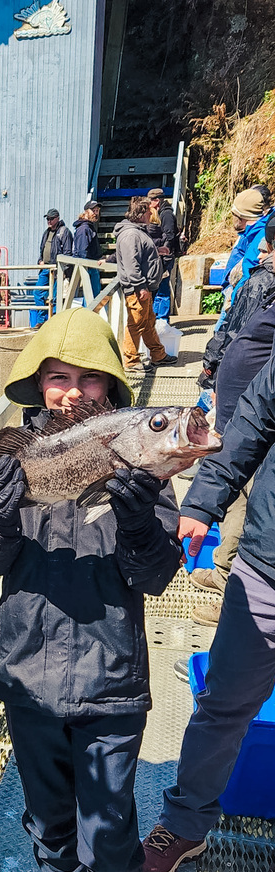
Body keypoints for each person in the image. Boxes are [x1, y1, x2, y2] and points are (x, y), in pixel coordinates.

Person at [0, 308, 181, 872]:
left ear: (111, 391)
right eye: (58, 377)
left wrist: (141, 525)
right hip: (26, 677)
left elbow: (156, 576)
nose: (71, 391)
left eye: (88, 378)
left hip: (111, 686)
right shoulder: (18, 456)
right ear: (39, 385)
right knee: (47, 816)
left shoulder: (140, 459)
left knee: (110, 832)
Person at [142, 348, 275, 872]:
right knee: (222, 704)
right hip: (266, 567)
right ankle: (185, 824)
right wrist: (201, 504)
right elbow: (250, 424)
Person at [183, 215, 275, 627]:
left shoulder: (263, 282)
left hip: (247, 420)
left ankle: (227, 582)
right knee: (236, 496)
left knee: (249, 502)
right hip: (240, 410)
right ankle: (225, 572)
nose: (260, 252)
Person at [114, 196, 177, 375]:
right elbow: (131, 263)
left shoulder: (136, 232)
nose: (151, 214)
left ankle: (158, 354)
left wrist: (157, 251)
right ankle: (131, 360)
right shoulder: (130, 234)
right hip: (137, 289)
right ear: (141, 214)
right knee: (136, 324)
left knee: (148, 322)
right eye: (149, 211)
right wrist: (140, 286)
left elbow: (139, 254)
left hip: (144, 287)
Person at [30, 208, 73, 328]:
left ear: (57, 218)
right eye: (47, 218)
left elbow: (68, 252)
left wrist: (63, 269)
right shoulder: (46, 233)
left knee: (55, 296)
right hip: (45, 269)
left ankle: (54, 320)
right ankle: (42, 320)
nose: (49, 221)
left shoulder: (64, 232)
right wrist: (40, 261)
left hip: (58, 269)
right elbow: (42, 250)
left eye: (51, 219)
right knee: (37, 292)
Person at [146, 189, 177, 321]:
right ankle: (157, 317)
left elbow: (169, 235)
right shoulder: (163, 212)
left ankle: (162, 319)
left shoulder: (166, 214)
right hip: (163, 256)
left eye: (150, 201)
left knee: (163, 287)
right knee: (159, 287)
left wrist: (165, 252)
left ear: (157, 201)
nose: (148, 204)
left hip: (166, 257)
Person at [72, 200, 102, 300]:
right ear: (86, 212)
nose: (95, 213)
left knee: (93, 297)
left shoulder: (89, 227)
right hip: (89, 266)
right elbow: (81, 251)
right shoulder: (84, 228)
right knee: (92, 297)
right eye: (93, 210)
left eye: (97, 210)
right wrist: (85, 267)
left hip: (92, 265)